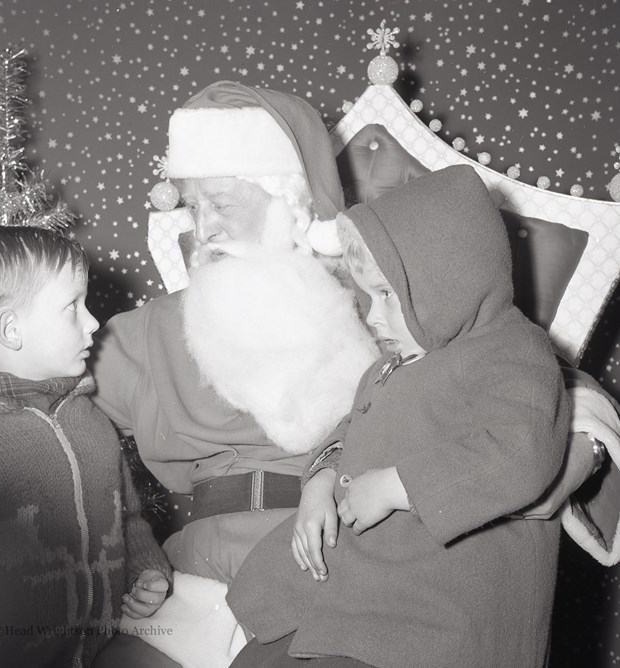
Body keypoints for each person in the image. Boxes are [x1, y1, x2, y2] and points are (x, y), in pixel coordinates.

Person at [90, 81, 620, 665]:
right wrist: (136, 550)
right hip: (201, 572)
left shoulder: (383, 299)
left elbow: (542, 384)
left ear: (287, 200)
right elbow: (47, 411)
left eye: (221, 203)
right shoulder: (150, 330)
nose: (203, 229)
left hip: (351, 563)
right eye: (192, 207)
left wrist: (584, 451)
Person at [226, 165, 570, 667]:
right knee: (258, 648)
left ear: (450, 280)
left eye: (387, 296)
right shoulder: (390, 365)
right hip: (352, 587)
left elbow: (523, 450)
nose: (371, 315)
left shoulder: (509, 349)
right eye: (370, 297)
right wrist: (319, 482)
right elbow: (346, 430)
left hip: (435, 610)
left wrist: (395, 486)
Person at [0, 225, 172, 668]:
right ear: (11, 328)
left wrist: (147, 569)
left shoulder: (91, 420)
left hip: (100, 651)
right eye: (72, 306)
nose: (93, 321)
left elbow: (128, 517)